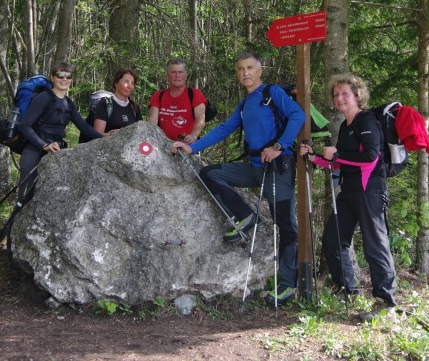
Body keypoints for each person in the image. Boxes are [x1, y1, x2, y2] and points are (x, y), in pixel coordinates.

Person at [171, 51, 305, 306]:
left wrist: (278, 146)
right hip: (254, 167)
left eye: (250, 68)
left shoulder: (271, 93)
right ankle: (245, 215)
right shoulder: (244, 104)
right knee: (210, 173)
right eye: (241, 69)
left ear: (259, 70)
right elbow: (224, 128)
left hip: (278, 167)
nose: (246, 73)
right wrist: (192, 147)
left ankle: (288, 285)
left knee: (285, 224)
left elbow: (298, 116)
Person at [299, 73, 398, 322]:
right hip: (349, 190)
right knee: (333, 239)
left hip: (370, 190)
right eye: (336, 94)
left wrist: (336, 154)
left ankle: (386, 301)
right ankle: (348, 291)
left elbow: (370, 158)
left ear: (357, 95)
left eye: (345, 93)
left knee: (375, 243)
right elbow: (341, 163)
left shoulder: (366, 120)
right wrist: (316, 158)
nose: (340, 98)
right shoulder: (345, 126)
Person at [8, 62, 103, 268]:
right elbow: (25, 126)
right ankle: (13, 252)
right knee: (24, 201)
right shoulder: (43, 98)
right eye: (60, 75)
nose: (64, 79)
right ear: (53, 77)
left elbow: (84, 127)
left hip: (55, 155)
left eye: (68, 76)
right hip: (34, 152)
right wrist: (43, 144)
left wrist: (106, 139)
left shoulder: (69, 104)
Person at [148, 58, 207, 143]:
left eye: (180, 72)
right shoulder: (158, 95)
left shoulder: (195, 94)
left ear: (186, 76)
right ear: (167, 76)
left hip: (188, 145)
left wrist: (193, 136)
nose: (177, 75)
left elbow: (201, 121)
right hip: (162, 145)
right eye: (173, 72)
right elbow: (152, 120)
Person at [93, 68, 143, 136]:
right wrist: (111, 135)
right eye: (126, 82)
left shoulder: (135, 108)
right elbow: (97, 134)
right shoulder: (104, 104)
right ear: (116, 83)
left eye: (132, 83)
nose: (129, 86)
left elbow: (140, 134)